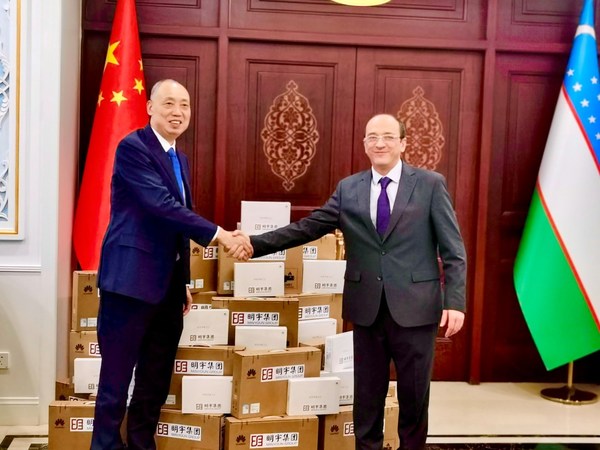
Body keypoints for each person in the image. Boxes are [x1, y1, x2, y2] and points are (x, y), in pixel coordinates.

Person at [244, 114, 466, 450]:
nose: (380, 143)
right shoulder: (349, 188)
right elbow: (308, 228)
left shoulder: (430, 185)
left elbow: (453, 249)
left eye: (388, 137)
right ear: (364, 144)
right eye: (372, 137)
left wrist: (455, 302)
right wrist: (253, 244)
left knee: (414, 398)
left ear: (403, 143)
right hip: (367, 309)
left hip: (416, 308)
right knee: (366, 397)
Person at [90, 79, 251, 450]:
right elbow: (161, 206)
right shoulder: (133, 148)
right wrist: (221, 235)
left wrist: (183, 281)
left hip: (166, 289)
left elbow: (176, 223)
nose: (177, 112)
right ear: (150, 107)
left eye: (185, 105)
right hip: (129, 285)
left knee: (155, 379)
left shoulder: (180, 158)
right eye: (168, 104)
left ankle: (141, 444)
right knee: (115, 382)